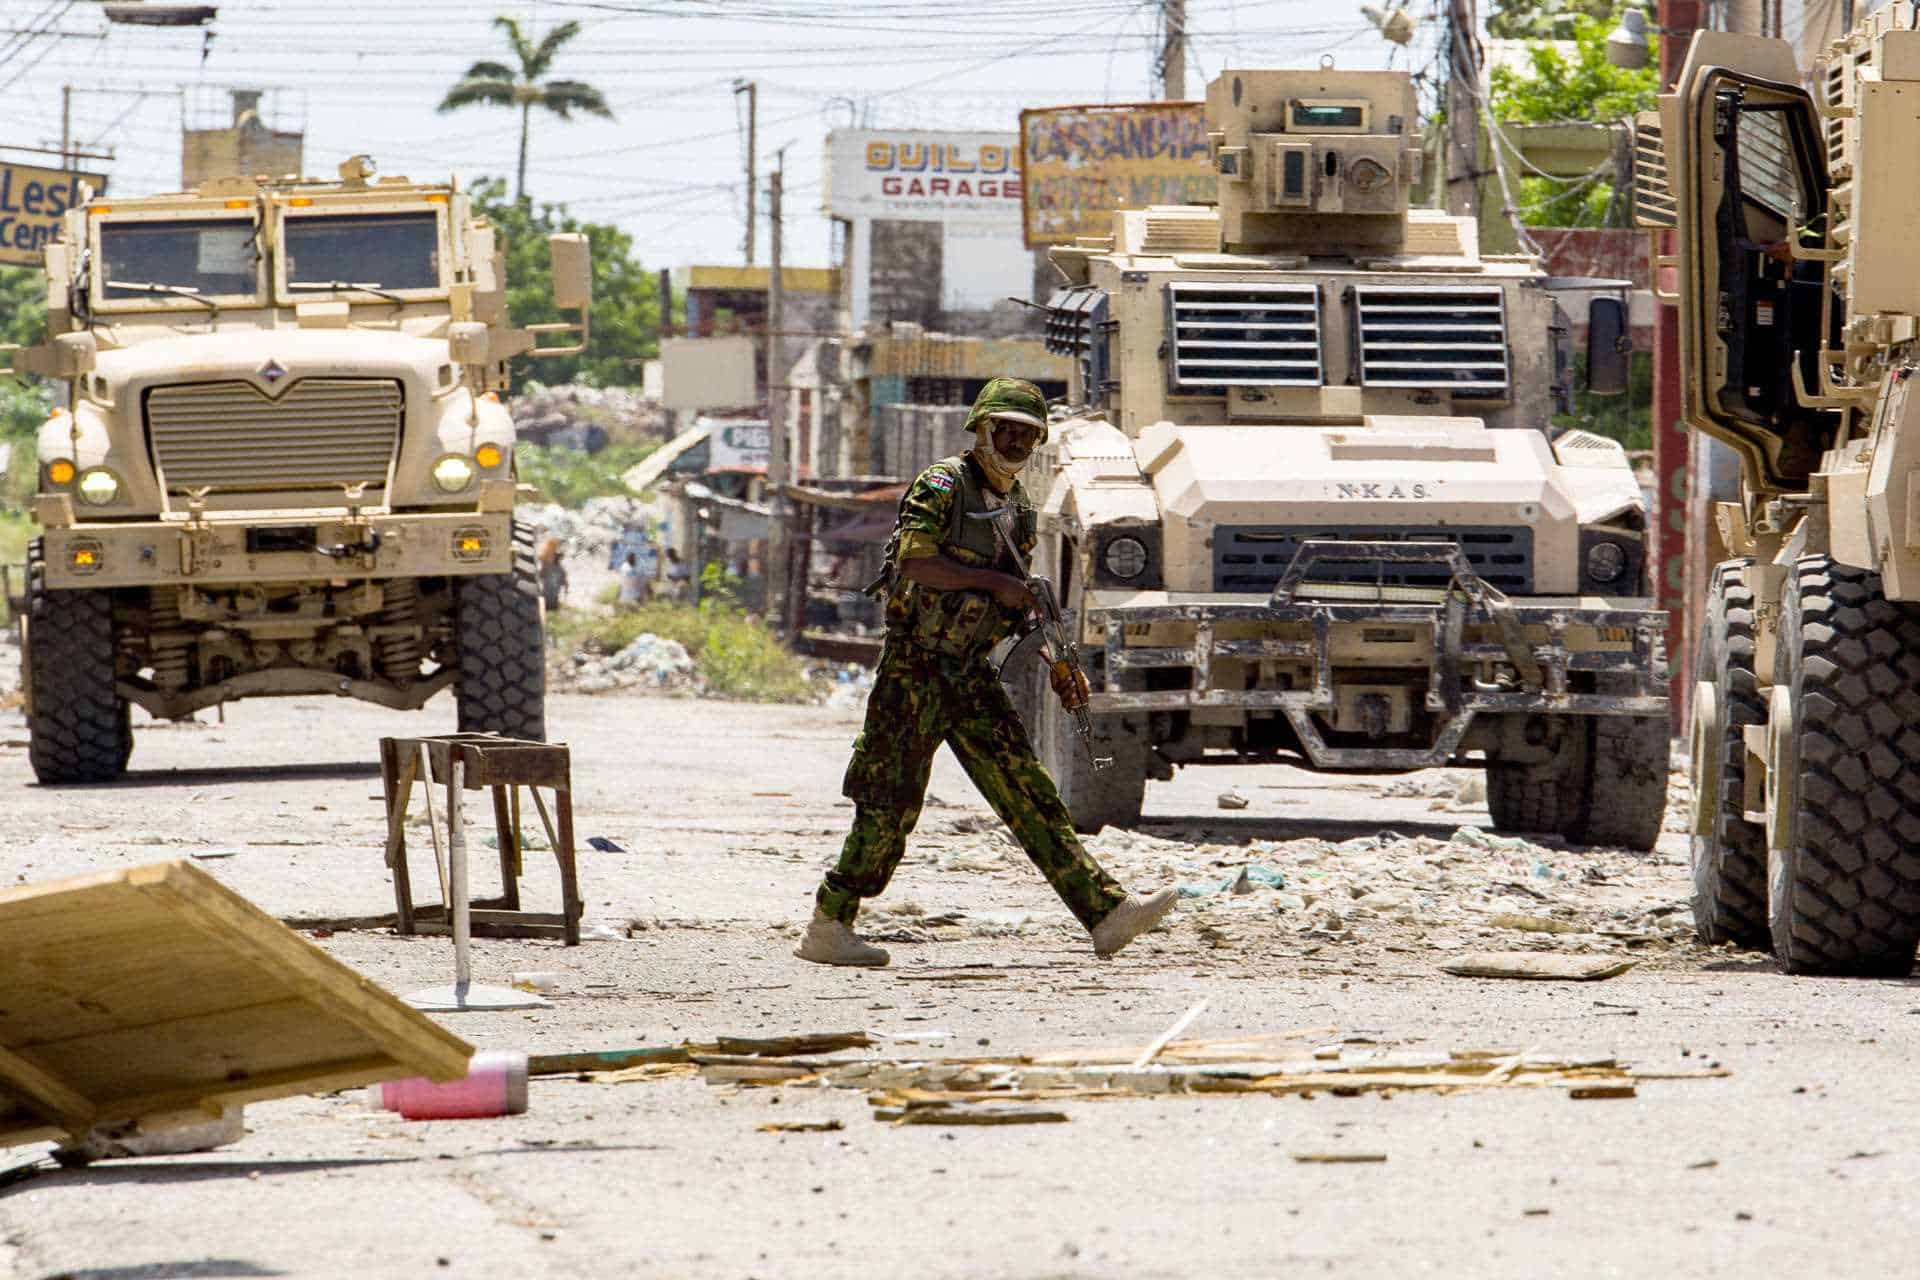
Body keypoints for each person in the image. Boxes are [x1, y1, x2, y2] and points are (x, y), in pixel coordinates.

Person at [794, 378, 1175, 967]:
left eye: (1028, 434)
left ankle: (1104, 913)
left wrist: (1055, 660)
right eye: (1007, 430)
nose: (1016, 442)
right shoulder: (944, 485)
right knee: (889, 802)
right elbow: (917, 561)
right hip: (915, 669)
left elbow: (1019, 607)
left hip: (970, 675)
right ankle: (830, 922)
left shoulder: (1020, 508)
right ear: (982, 429)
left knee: (1029, 791)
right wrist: (993, 581)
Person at [536, 536, 567, 613]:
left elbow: (564, 581)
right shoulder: (548, 565)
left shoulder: (559, 569)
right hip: (547, 597)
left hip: (551, 597)